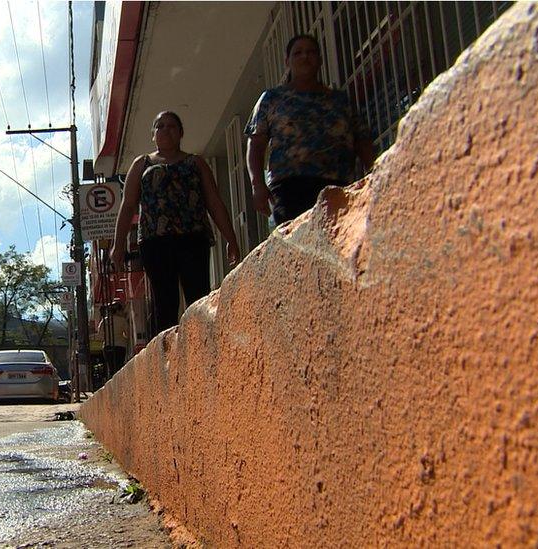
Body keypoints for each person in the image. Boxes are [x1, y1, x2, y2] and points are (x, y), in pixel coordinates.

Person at [110, 111, 240, 337]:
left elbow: (214, 202)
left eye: (171, 126)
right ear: (153, 135)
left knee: (197, 296)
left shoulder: (196, 162)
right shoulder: (142, 164)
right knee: (164, 301)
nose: (165, 130)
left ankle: (201, 343)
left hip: (193, 238)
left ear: (181, 133)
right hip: (155, 242)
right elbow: (128, 205)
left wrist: (231, 238)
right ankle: (167, 356)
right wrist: (118, 245)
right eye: (160, 126)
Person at [245, 34, 376, 227]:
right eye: (298, 53)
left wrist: (375, 174)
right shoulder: (272, 99)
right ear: (287, 61)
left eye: (311, 52)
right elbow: (255, 144)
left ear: (320, 60)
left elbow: (362, 141)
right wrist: (257, 185)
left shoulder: (340, 101)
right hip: (290, 188)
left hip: (338, 186)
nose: (305, 57)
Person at [98, 300, 130, 377]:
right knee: (119, 367)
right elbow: (128, 334)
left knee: (111, 368)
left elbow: (100, 335)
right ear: (118, 310)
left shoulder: (104, 321)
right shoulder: (122, 320)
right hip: (120, 346)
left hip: (107, 346)